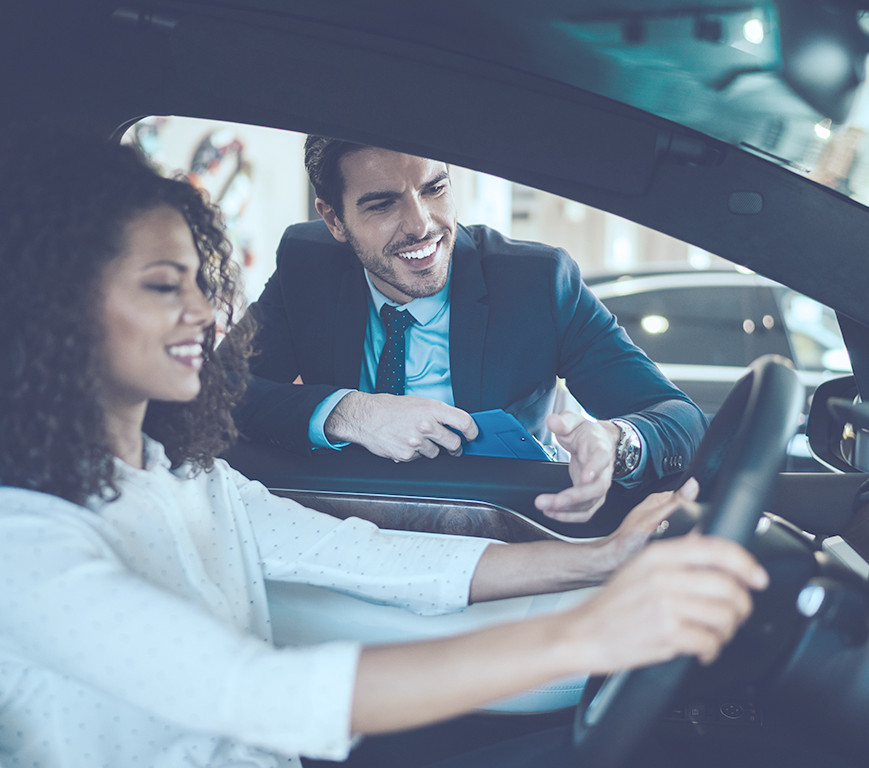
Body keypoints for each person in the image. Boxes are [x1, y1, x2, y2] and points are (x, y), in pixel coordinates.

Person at [0, 126, 764, 768]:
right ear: (50, 312)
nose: (207, 314)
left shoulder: (176, 475)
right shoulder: (13, 544)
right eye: (160, 286)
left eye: (199, 281)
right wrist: (590, 633)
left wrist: (600, 557)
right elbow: (256, 688)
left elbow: (361, 552)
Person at [233, 137, 708, 522]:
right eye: (382, 205)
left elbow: (679, 418)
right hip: (342, 531)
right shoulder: (305, 263)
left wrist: (616, 443)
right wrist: (352, 413)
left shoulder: (537, 282)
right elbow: (219, 392)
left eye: (434, 189)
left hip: (496, 532)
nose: (422, 225)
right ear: (334, 219)